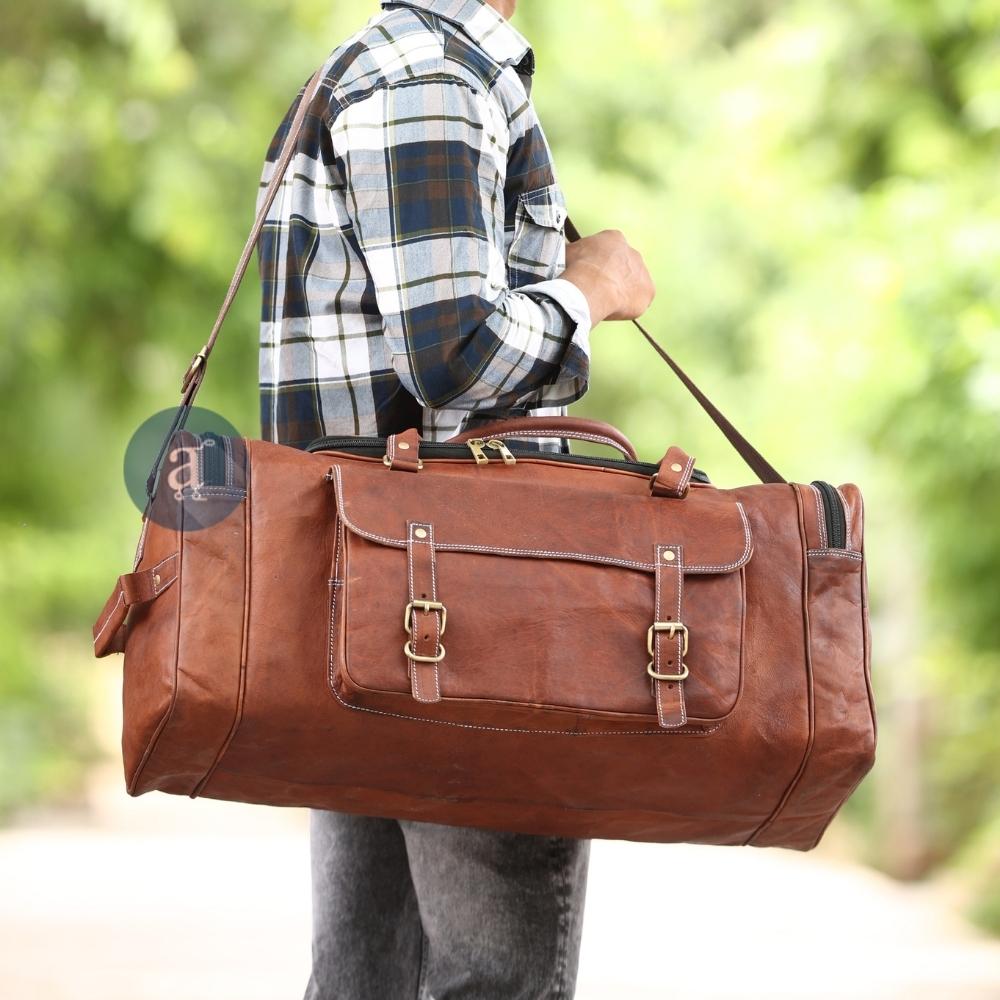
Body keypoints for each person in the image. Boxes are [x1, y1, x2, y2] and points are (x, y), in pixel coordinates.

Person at [257, 1, 655, 996]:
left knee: (366, 973)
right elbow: (456, 357)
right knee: (492, 976)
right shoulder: (429, 80)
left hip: (378, 589)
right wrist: (590, 289)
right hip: (463, 604)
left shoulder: (377, 67)